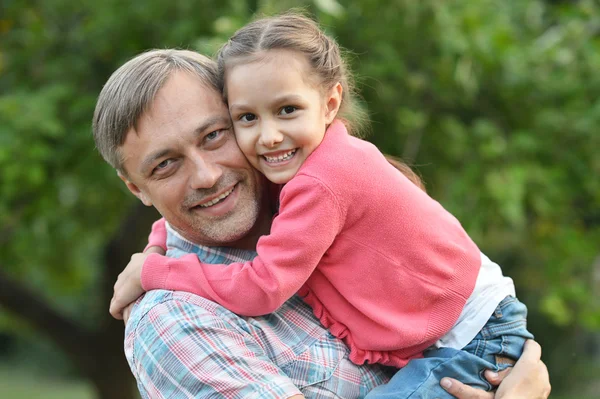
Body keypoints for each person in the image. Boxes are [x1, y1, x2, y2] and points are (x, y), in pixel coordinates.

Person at [109, 15, 536, 398]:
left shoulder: (312, 190)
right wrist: (155, 256)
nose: (205, 175)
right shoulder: (176, 322)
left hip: (471, 335)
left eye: (214, 135)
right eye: (165, 165)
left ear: (328, 104)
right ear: (137, 189)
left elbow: (262, 283)